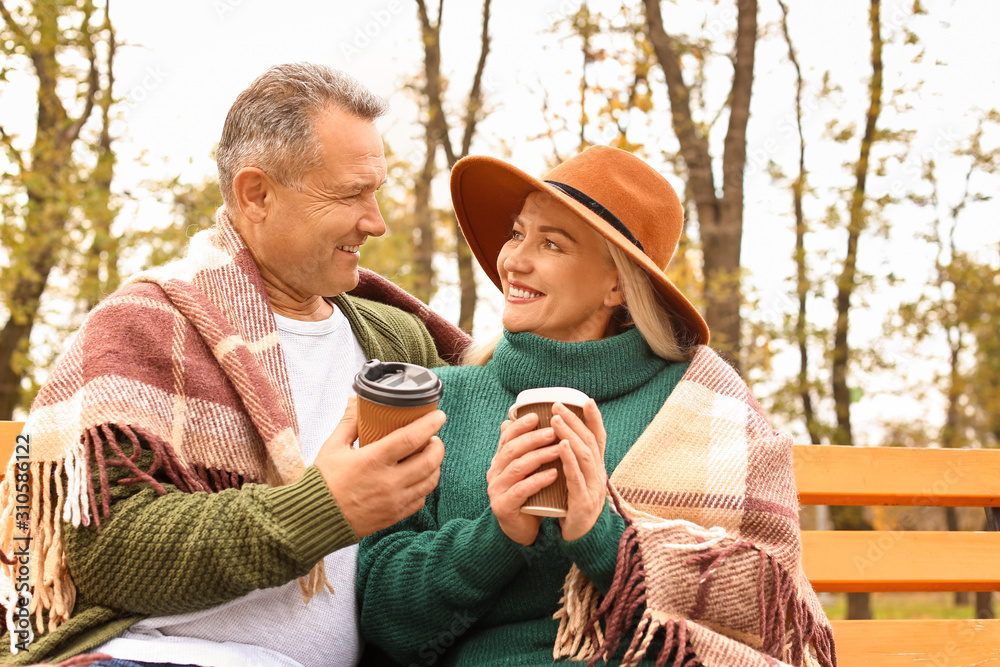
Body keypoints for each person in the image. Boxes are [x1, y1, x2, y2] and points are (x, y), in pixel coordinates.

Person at [0, 63, 469, 667]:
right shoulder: (147, 324)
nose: (376, 220)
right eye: (351, 193)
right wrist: (321, 509)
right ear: (257, 195)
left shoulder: (395, 339)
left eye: (376, 190)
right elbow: (106, 553)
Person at [357, 146, 836, 666]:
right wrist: (497, 536)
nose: (513, 260)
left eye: (552, 244)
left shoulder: (700, 404)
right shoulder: (444, 400)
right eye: (517, 233)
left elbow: (763, 607)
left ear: (617, 285)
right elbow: (386, 618)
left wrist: (602, 535)